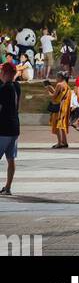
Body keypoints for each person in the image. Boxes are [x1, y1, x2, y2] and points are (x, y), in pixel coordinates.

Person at [0, 60, 20, 196]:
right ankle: (8, 187)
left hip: (3, 128)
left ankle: (7, 187)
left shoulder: (4, 88)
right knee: (10, 159)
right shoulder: (17, 86)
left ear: (5, 73)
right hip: (14, 127)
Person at [45, 72, 72, 149]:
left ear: (60, 77)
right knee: (62, 125)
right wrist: (51, 89)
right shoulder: (66, 85)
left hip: (58, 107)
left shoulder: (59, 85)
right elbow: (59, 95)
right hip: (64, 107)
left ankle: (59, 143)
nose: (56, 79)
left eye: (56, 77)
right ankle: (65, 142)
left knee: (57, 124)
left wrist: (48, 91)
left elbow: (53, 97)